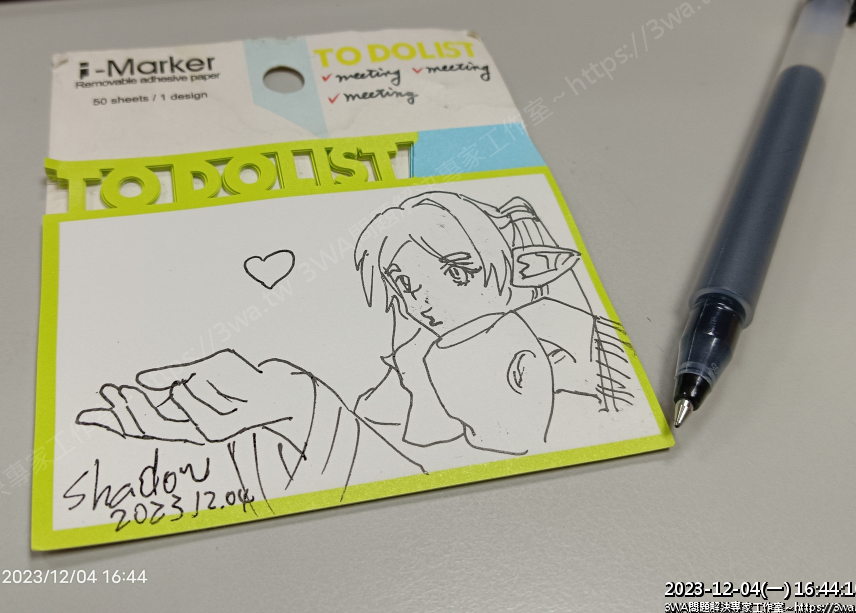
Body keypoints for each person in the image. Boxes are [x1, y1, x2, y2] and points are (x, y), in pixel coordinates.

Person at [77, 190, 631, 499]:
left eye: (456, 272)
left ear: (514, 270)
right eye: (405, 285)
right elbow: (395, 437)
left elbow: (492, 458)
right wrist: (280, 416)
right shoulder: (423, 350)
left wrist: (298, 405)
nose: (422, 300)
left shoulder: (522, 338)